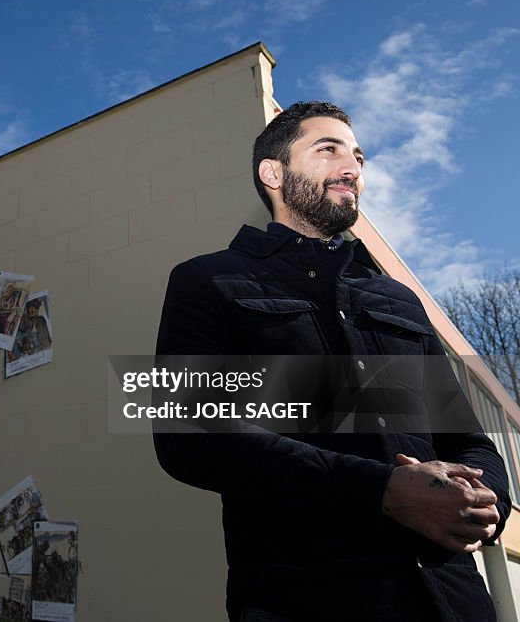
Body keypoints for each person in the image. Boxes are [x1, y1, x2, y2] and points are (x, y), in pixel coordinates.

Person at [153, 101, 510, 622]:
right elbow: (188, 437)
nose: (353, 168)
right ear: (273, 173)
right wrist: (382, 490)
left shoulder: (398, 300)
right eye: (329, 150)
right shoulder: (206, 281)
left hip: (453, 600)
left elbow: (468, 439)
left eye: (359, 157)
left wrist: (483, 501)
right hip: (309, 597)